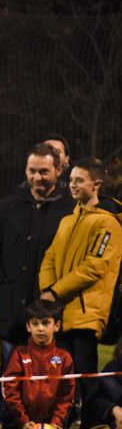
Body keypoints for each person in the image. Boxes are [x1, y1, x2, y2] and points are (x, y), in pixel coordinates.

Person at [0, 143, 71, 362]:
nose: (36, 177)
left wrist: (56, 291)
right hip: (11, 309)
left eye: (44, 171)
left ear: (58, 170)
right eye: (32, 171)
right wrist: (1, 283)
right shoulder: (6, 206)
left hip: (52, 310)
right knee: (10, 378)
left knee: (49, 385)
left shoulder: (70, 209)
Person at [38, 158, 121, 390]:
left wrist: (55, 291)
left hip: (86, 312)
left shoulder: (109, 223)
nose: (72, 185)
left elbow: (95, 266)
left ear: (96, 185)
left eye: (79, 180)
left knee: (86, 377)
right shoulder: (67, 220)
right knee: (62, 376)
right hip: (61, 309)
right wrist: (47, 290)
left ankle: (90, 425)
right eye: (71, 180)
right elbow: (50, 257)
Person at [0, 299, 76, 429]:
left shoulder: (64, 357)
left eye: (46, 323)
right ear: (28, 327)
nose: (40, 328)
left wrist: (57, 422)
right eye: (35, 323)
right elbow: (10, 390)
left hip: (51, 423)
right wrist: (23, 421)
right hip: (22, 423)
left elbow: (67, 395)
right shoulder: (19, 354)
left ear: (57, 326)